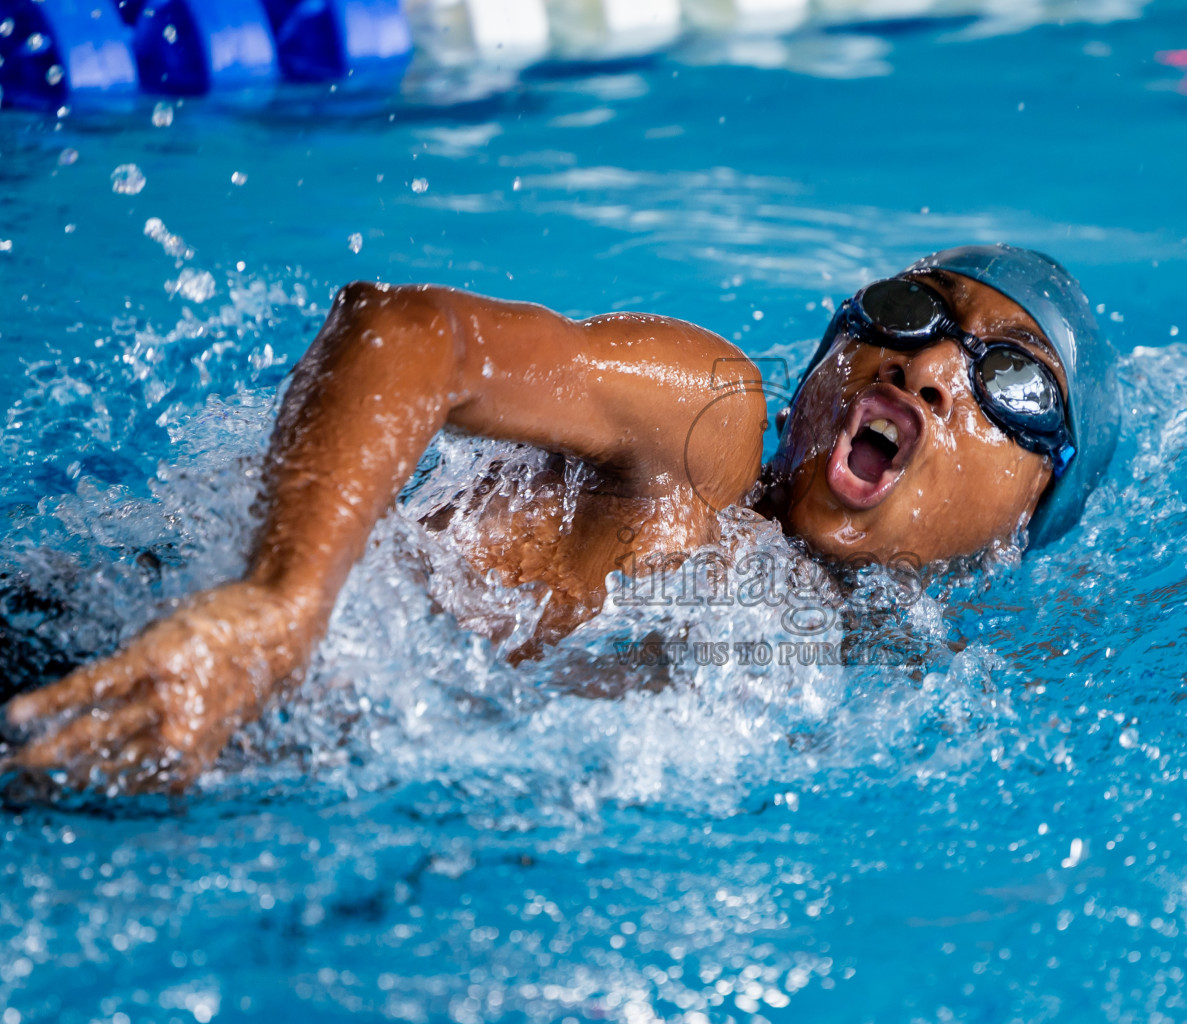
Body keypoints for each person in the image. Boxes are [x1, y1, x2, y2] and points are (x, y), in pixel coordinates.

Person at [1, 244, 1119, 792]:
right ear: (827, 359)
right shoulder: (708, 428)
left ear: (1025, 520)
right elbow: (403, 330)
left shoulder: (886, 691)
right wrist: (276, 607)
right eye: (908, 310)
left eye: (1014, 386)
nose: (932, 366)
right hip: (83, 645)